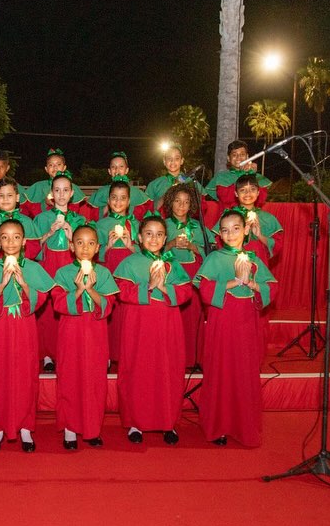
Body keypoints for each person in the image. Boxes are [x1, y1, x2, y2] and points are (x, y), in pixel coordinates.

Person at [194, 208, 277, 447]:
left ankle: (244, 427)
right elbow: (206, 290)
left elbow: (271, 288)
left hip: (246, 325)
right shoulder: (214, 259)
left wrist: (251, 282)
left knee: (244, 373)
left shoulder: (255, 260)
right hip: (222, 323)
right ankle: (218, 426)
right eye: (225, 230)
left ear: (247, 230)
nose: (231, 234)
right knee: (221, 371)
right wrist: (235, 281)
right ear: (219, 234)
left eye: (236, 229)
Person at [113, 215, 193, 445]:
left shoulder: (173, 265)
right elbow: (121, 290)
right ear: (139, 237)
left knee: (167, 370)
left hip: (168, 326)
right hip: (138, 326)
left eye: (159, 234)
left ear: (166, 238)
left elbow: (186, 292)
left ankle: (168, 422)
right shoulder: (129, 262)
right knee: (138, 370)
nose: (154, 238)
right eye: (148, 233)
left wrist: (165, 288)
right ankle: (135, 422)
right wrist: (148, 286)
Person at [0, 219, 55, 453]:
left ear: (24, 241)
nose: (10, 242)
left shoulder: (32, 267)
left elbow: (41, 299)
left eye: (15, 237)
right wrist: (1, 284)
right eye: (5, 237)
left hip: (24, 325)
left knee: (25, 374)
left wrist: (23, 283)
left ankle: (25, 427)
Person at [52, 225, 120, 449]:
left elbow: (108, 306)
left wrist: (90, 289)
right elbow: (59, 304)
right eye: (79, 242)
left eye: (91, 243)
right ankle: (70, 429)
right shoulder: (62, 273)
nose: (85, 247)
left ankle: (92, 429)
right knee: (71, 377)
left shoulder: (105, 273)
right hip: (71, 332)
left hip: (95, 332)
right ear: (71, 246)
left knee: (94, 380)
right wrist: (79, 289)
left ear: (98, 248)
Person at [32, 174, 87, 372]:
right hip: (49, 267)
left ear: (72, 194)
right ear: (51, 194)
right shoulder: (42, 218)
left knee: (72, 305)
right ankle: (48, 354)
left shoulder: (80, 219)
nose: (61, 194)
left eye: (65, 190)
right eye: (57, 190)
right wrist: (49, 233)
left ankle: (70, 352)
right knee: (48, 312)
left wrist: (72, 235)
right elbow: (32, 248)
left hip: (71, 266)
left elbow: (86, 247)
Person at [161, 183, 215, 369]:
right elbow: (153, 249)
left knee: (193, 319)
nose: (181, 206)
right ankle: (172, 358)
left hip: (193, 275)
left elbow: (211, 251)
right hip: (171, 275)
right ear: (170, 202)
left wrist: (193, 247)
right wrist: (171, 243)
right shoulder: (163, 225)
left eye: (186, 202)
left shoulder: (198, 227)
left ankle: (193, 359)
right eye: (177, 201)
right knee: (172, 319)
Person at [94, 180, 138, 364]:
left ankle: (127, 352)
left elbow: (144, 255)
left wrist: (130, 245)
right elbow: (94, 254)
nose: (118, 202)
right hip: (109, 270)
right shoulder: (100, 224)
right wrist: (108, 246)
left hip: (129, 273)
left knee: (127, 314)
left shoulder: (136, 224)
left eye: (122, 199)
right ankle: (108, 354)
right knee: (110, 310)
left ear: (128, 202)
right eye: (114, 198)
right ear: (108, 200)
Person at [229, 174, 284, 267]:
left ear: (258, 192)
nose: (248, 193)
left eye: (252, 189)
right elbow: (219, 245)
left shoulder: (267, 218)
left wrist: (259, 235)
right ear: (236, 193)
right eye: (243, 190)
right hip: (232, 263)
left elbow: (276, 246)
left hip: (258, 264)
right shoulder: (229, 217)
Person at [205, 140, 272, 210]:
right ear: (228, 158)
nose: (238, 157)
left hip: (254, 216)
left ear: (247, 156)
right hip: (229, 217)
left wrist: (251, 175)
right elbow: (227, 200)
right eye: (234, 155)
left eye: (242, 154)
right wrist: (243, 175)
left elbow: (260, 200)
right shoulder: (221, 177)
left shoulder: (255, 176)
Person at [21, 148, 89, 218]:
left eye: (58, 164)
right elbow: (27, 212)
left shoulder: (73, 187)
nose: (55, 167)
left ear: (64, 167)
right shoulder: (38, 186)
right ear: (46, 169)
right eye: (51, 165)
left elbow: (81, 213)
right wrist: (44, 203)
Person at [87, 152, 152, 220]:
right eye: (113, 167)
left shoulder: (137, 193)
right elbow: (92, 218)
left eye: (121, 166)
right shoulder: (101, 192)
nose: (117, 170)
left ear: (126, 170)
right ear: (109, 171)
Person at [145, 144, 206, 213]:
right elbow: (148, 209)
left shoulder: (191, 181)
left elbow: (203, 204)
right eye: (169, 158)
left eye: (177, 158)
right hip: (162, 222)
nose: (173, 161)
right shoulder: (155, 184)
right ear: (164, 161)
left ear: (182, 161)